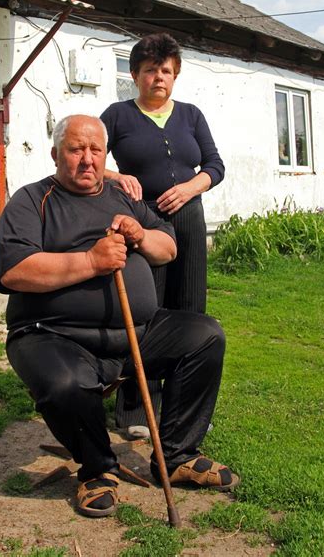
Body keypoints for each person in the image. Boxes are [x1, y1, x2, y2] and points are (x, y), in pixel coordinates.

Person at [0, 114, 238, 519]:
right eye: (76, 149)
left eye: (95, 150)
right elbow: (14, 271)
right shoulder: (30, 200)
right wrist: (91, 262)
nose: (87, 159)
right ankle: (97, 468)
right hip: (54, 335)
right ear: (56, 155)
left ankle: (176, 457)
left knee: (205, 335)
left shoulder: (121, 197)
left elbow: (168, 247)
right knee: (64, 383)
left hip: (135, 331)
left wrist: (141, 235)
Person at [100, 33, 225, 437]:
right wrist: (118, 176)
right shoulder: (117, 116)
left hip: (189, 219)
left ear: (176, 76)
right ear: (135, 75)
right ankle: (137, 410)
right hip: (143, 221)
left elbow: (215, 166)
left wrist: (191, 187)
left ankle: (184, 408)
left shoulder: (191, 115)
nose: (159, 77)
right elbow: (88, 157)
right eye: (151, 69)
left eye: (167, 70)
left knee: (190, 311)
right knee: (146, 312)